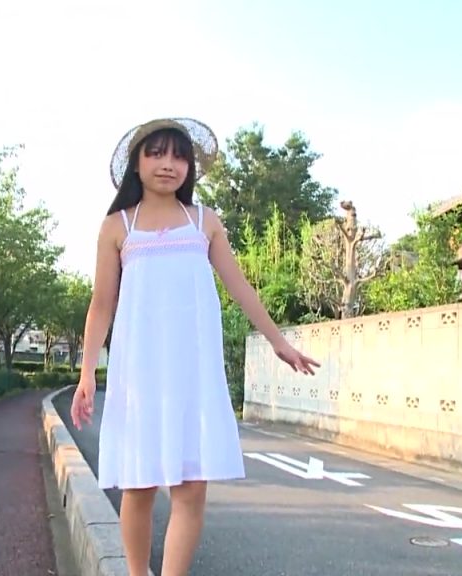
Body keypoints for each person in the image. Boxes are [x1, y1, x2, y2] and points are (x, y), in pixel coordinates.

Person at [71, 117, 320, 576]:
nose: (168, 164)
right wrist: (87, 374)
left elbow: (240, 287)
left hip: (194, 374)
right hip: (139, 375)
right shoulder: (116, 227)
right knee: (138, 486)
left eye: (179, 156)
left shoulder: (204, 222)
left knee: (190, 489)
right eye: (157, 154)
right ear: (137, 164)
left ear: (190, 167)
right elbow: (101, 304)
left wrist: (279, 342)